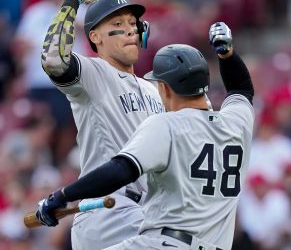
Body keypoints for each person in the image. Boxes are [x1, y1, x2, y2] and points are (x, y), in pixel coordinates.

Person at [36, 22, 255, 250]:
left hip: (164, 244)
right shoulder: (236, 125)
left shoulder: (167, 125)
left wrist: (63, 195)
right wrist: (227, 54)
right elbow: (242, 89)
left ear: (165, 89)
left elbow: (121, 170)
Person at [39, 0, 164, 249]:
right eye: (118, 23)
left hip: (145, 211)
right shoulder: (94, 74)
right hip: (109, 209)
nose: (131, 29)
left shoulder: (153, 90)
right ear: (95, 37)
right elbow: (53, 59)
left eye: (133, 22)